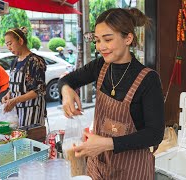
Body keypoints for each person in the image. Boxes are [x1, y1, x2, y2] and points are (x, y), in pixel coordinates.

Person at [58, 8, 165, 179]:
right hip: (99, 167)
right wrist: (66, 91)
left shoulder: (148, 79)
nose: (101, 47)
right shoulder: (100, 66)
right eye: (97, 40)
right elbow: (66, 80)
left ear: (128, 38)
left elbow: (155, 134)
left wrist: (107, 144)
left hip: (133, 170)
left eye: (107, 39)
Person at [2, 27, 47, 127]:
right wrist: (9, 94)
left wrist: (15, 100)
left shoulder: (35, 61)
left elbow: (39, 90)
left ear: (21, 41)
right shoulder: (14, 62)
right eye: (7, 45)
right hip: (17, 111)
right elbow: (16, 84)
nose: (9, 48)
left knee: (31, 141)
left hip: (33, 111)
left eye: (10, 44)